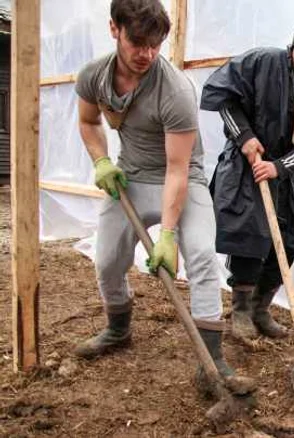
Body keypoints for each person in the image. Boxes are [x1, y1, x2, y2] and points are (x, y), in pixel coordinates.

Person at [73, 0, 254, 396]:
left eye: (156, 44)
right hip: (131, 175)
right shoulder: (93, 77)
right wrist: (102, 160)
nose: (147, 54)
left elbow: (177, 167)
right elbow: (88, 121)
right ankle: (118, 330)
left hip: (182, 177)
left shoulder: (175, 89)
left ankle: (213, 362)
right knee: (106, 260)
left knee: (203, 255)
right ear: (114, 29)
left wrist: (168, 235)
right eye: (138, 42)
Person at [200, 16, 294, 341]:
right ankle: (239, 312)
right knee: (250, 235)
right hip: (245, 164)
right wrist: (245, 137)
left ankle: (259, 308)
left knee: (293, 238)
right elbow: (224, 98)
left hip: (287, 171)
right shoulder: (261, 62)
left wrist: (280, 167)